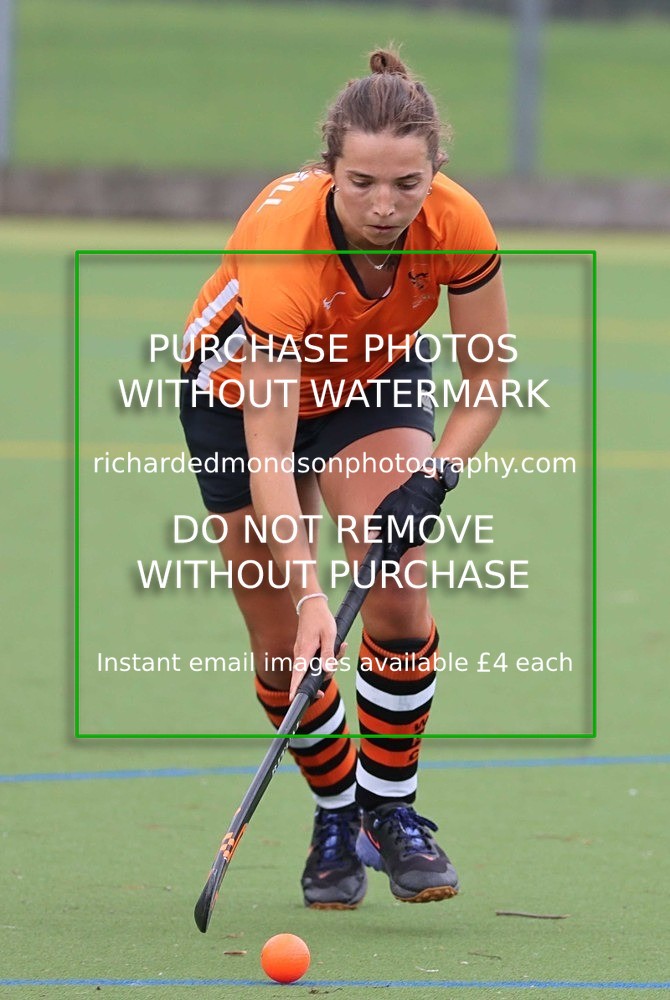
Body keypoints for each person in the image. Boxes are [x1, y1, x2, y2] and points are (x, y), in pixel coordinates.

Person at [180, 48, 508, 909]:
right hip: (238, 398)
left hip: (370, 377)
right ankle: (334, 814)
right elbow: (269, 450)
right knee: (284, 634)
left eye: (407, 184)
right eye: (361, 181)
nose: (384, 205)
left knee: (398, 592)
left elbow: (487, 385)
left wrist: (434, 478)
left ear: (436, 170)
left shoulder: (458, 222)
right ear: (329, 168)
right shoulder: (283, 246)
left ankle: (388, 812)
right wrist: (315, 598)